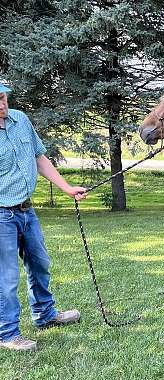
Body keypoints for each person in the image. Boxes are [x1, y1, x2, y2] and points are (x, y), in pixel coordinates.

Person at [0, 81, 87, 351]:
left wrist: (67, 189)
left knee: (40, 264)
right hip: (2, 214)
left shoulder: (21, 120)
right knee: (7, 277)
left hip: (27, 211)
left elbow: (40, 158)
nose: (2, 104)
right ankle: (7, 334)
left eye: (3, 98)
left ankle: (45, 315)